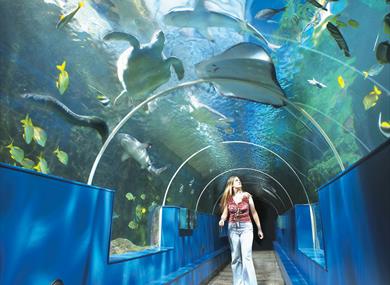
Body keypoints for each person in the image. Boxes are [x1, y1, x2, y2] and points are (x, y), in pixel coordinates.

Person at [219, 176, 264, 285]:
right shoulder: (228, 199)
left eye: (239, 180)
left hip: (246, 228)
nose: (239, 181)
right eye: (236, 180)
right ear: (232, 184)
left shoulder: (247, 196)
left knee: (246, 256)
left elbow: (254, 213)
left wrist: (259, 229)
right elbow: (225, 213)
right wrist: (222, 219)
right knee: (235, 257)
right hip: (232, 228)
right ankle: (238, 283)